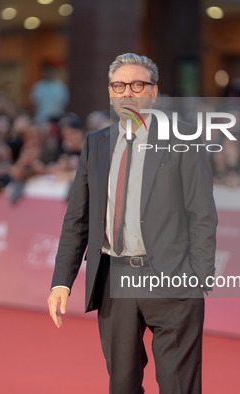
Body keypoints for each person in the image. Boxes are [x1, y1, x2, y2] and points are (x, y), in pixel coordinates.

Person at [47, 53, 217, 393]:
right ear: (110, 93)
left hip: (172, 278)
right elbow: (77, 218)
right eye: (119, 85)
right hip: (114, 279)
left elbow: (202, 214)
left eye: (138, 85)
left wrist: (198, 276)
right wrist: (61, 282)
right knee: (121, 384)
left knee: (178, 385)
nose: (128, 93)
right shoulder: (96, 144)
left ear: (153, 93)